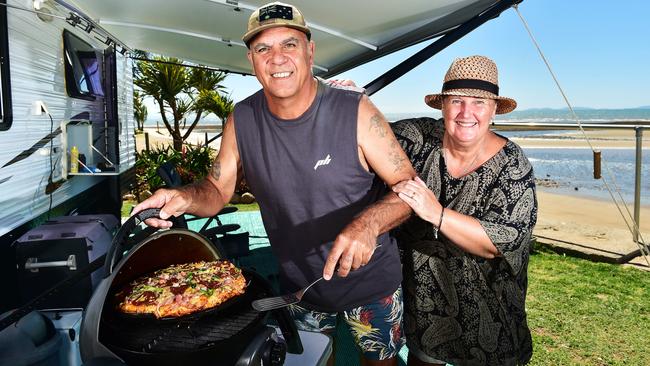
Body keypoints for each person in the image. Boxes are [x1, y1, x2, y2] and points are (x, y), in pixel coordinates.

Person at [133, 2, 416, 365]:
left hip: (370, 283)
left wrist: (369, 223)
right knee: (314, 359)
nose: (277, 58)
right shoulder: (242, 118)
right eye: (263, 48)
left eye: (289, 45)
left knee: (382, 363)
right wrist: (183, 198)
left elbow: (408, 187)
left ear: (310, 51)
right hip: (300, 288)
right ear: (251, 60)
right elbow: (217, 190)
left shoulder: (355, 110)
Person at [390, 55, 537, 366]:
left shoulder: (512, 165)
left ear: (494, 110)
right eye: (457, 101)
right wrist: (346, 100)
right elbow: (365, 131)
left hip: (491, 314)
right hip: (426, 308)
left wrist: (437, 213)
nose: (466, 112)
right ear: (442, 106)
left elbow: (501, 242)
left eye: (479, 102)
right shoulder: (418, 137)